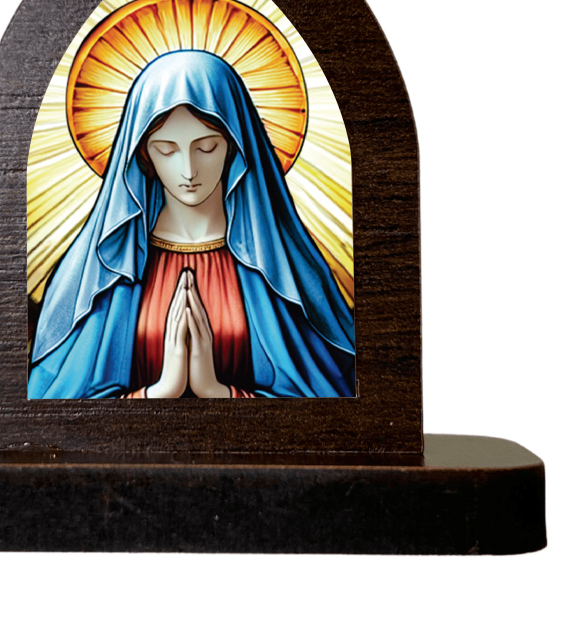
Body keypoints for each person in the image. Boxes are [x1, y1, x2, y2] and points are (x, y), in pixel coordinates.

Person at [28, 50, 356, 398]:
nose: (188, 170)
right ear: (143, 154)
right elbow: (52, 411)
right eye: (167, 150)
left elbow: (333, 405)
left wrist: (218, 392)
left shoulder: (284, 270)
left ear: (234, 146)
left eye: (207, 147)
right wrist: (160, 392)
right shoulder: (102, 270)